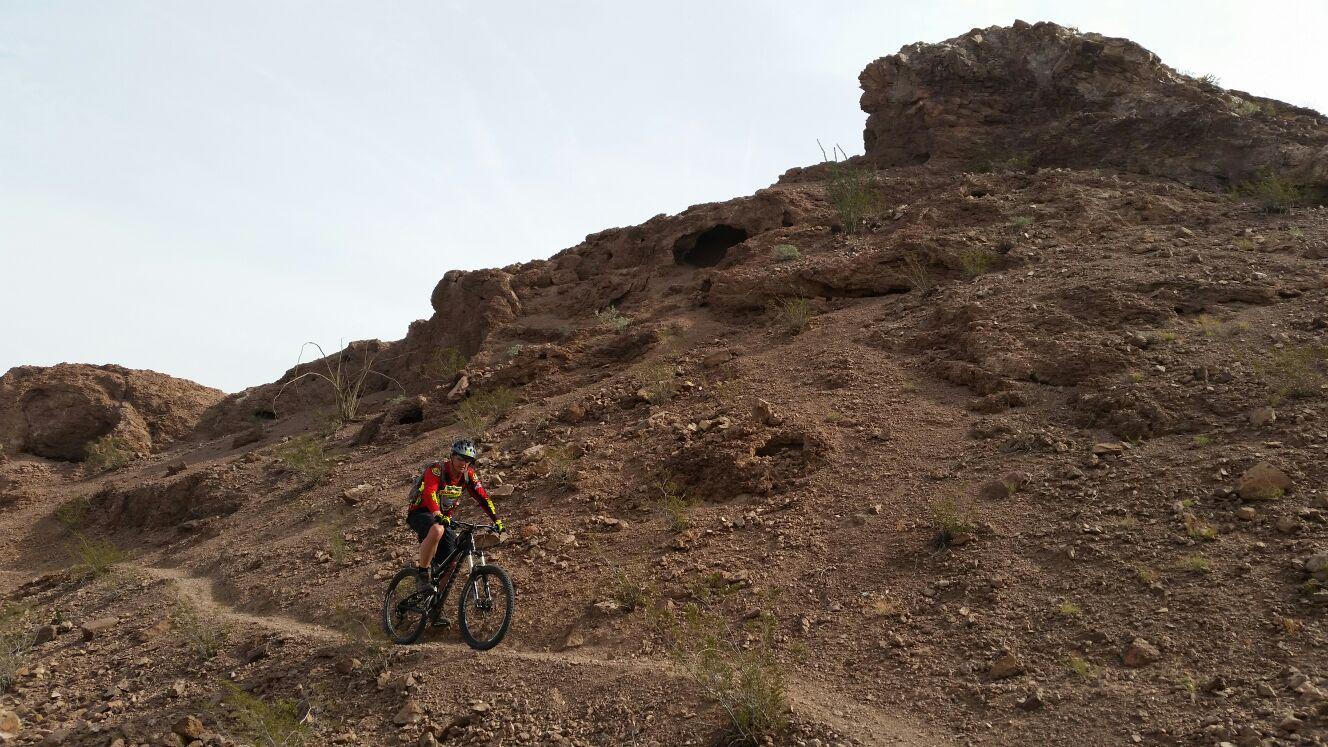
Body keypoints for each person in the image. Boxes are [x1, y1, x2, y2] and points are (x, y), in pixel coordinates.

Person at [406, 438, 505, 594]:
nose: (463, 463)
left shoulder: (468, 475)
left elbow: (483, 498)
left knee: (451, 563)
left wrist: (497, 520)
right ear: (451, 456)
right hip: (420, 512)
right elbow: (429, 492)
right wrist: (437, 513)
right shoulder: (437, 470)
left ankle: (435, 606)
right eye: (460, 458)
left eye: (468, 461)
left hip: (442, 519)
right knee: (437, 530)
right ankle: (422, 574)